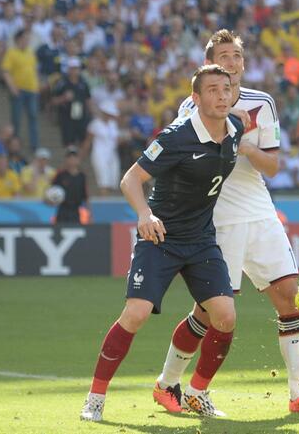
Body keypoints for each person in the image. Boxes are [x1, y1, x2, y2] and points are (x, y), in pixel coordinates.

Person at [150, 31, 299, 415]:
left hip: (260, 211)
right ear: (208, 67)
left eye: (236, 56)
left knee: (289, 296)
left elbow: (272, 164)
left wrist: (246, 144)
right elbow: (197, 152)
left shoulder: (261, 103)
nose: (232, 62)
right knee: (211, 312)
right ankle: (169, 384)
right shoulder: (192, 106)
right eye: (223, 56)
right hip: (217, 219)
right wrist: (231, 124)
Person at [80, 65, 244, 423]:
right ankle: (95, 397)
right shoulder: (176, 137)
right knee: (136, 314)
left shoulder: (235, 131)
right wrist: (144, 214)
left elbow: (247, 126)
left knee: (226, 316)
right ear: (196, 99)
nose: (221, 95)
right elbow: (130, 179)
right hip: (161, 238)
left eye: (226, 89)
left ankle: (197, 393)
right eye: (212, 90)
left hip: (201, 240)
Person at [1, 28, 40, 152]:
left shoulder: (30, 52)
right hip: (19, 90)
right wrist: (12, 87)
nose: (27, 41)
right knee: (16, 119)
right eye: (25, 38)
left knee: (33, 116)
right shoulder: (11, 53)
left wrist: (37, 85)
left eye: (28, 39)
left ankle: (34, 144)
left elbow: (34, 70)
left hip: (32, 90)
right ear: (18, 39)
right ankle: (14, 143)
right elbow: (5, 71)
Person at [51, 57, 91, 148]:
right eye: (72, 68)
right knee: (69, 143)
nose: (74, 71)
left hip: (81, 116)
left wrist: (90, 113)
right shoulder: (62, 83)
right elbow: (53, 100)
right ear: (69, 69)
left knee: (82, 140)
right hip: (67, 117)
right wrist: (63, 98)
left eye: (76, 68)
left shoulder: (83, 82)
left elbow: (88, 99)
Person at [86, 100, 122, 195]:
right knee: (103, 181)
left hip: (112, 154)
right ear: (104, 113)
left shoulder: (113, 124)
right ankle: (104, 202)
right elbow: (88, 141)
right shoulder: (95, 124)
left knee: (113, 181)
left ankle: (109, 204)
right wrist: (81, 155)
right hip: (99, 154)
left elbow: (116, 139)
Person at [53, 147, 88, 224]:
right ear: (66, 159)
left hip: (75, 210)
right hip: (63, 210)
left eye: (74, 157)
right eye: (70, 157)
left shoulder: (81, 176)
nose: (72, 160)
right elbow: (52, 191)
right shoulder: (60, 175)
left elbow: (86, 196)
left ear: (78, 159)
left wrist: (90, 214)